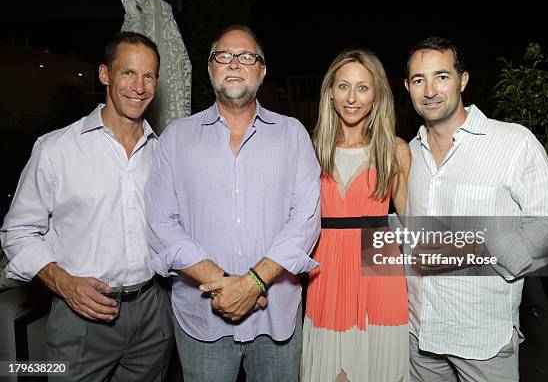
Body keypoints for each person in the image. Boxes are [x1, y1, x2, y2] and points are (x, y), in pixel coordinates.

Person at [144, 25, 321, 382]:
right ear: (210, 69)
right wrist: (227, 286)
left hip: (275, 318)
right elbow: (161, 223)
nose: (235, 64)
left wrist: (254, 283)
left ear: (262, 70)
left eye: (247, 57)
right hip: (202, 318)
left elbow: (305, 219)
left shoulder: (293, 134)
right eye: (223, 56)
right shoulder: (177, 138)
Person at [0, 31, 173, 381]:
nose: (139, 86)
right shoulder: (56, 149)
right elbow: (17, 233)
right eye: (128, 73)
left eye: (149, 75)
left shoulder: (165, 152)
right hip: (81, 318)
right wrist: (64, 283)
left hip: (153, 313)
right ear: (105, 74)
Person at [403, 36, 548, 382]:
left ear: (462, 80)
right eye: (419, 80)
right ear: (407, 87)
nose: (430, 90)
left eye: (442, 76)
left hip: (482, 339)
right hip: (420, 336)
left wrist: (472, 249)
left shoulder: (512, 143)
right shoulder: (409, 152)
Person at [301, 49, 411, 382]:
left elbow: (417, 226)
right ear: (330, 93)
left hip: (379, 273)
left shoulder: (395, 150)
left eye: (363, 87)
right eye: (343, 86)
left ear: (376, 94)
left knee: (379, 372)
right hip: (327, 273)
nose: (352, 98)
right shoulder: (309, 151)